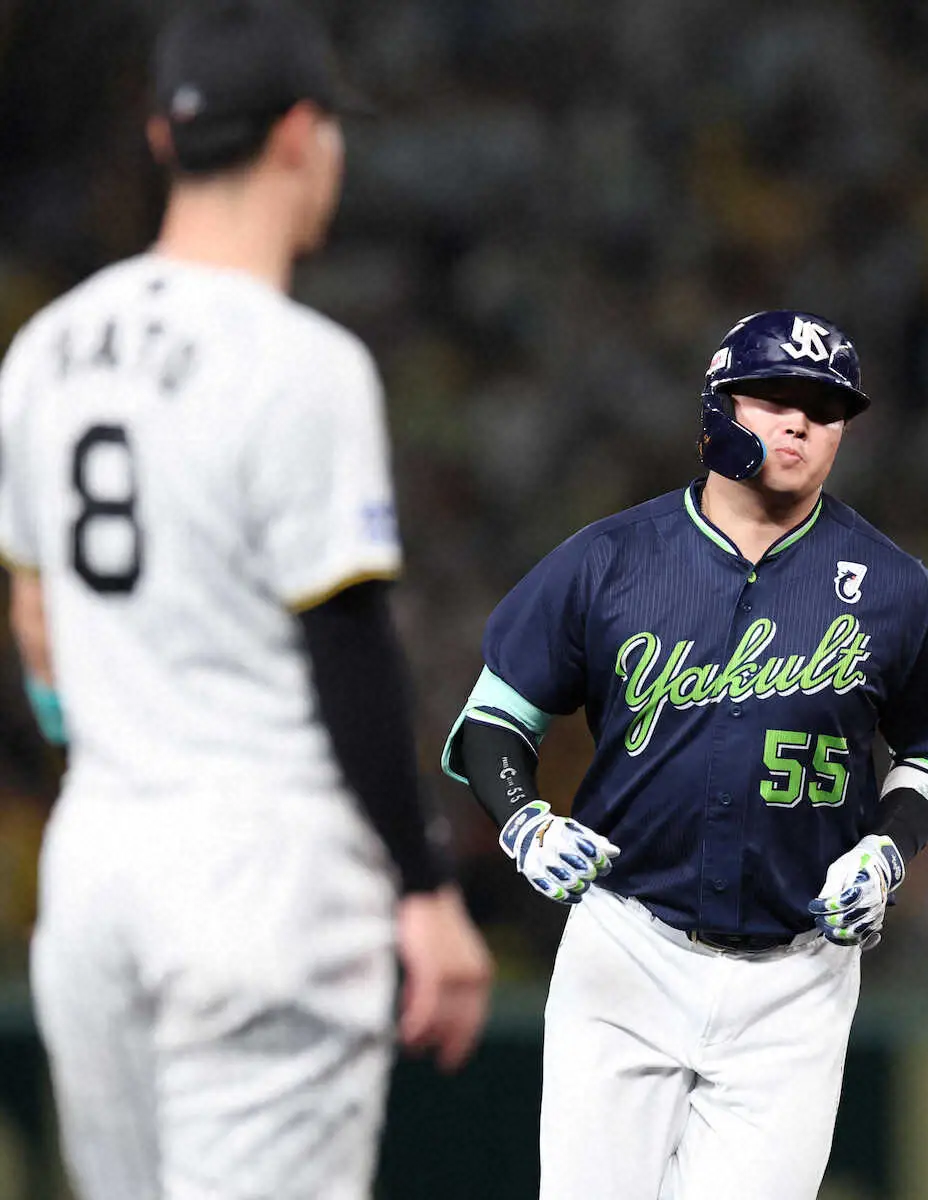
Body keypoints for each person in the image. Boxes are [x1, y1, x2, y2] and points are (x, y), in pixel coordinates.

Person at [0, 2, 493, 1197]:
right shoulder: (301, 363)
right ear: (295, 135)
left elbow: (35, 624)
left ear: (166, 144)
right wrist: (425, 888)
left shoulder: (45, 349)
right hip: (264, 885)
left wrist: (110, 742)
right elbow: (347, 647)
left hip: (100, 872)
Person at [442, 310, 928, 1200]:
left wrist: (890, 851)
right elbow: (493, 718)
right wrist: (524, 823)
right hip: (627, 948)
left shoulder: (893, 587)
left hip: (798, 976)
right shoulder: (611, 558)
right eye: (775, 398)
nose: (801, 422)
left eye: (826, 407)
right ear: (720, 408)